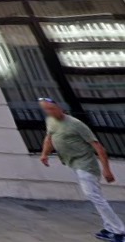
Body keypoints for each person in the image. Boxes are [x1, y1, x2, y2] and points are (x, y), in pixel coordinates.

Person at [39, 98, 125, 242]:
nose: (50, 112)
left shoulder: (76, 124)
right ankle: (110, 228)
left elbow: (99, 148)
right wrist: (44, 154)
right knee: (95, 196)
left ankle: (119, 231)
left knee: (95, 197)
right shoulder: (50, 121)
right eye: (46, 109)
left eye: (52, 108)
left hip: (86, 165)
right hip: (73, 163)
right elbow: (49, 138)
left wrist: (107, 170)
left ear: (59, 107)